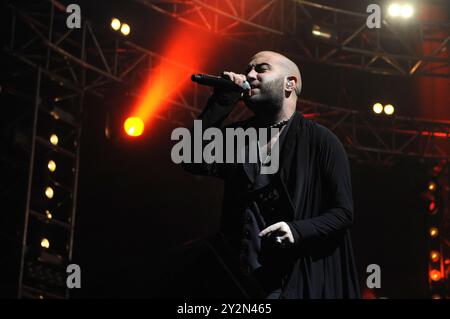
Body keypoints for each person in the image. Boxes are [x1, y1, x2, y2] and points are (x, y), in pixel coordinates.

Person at [182, 51, 361, 299]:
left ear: (290, 83)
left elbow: (342, 213)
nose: (250, 75)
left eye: (261, 69)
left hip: (293, 282)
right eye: (248, 70)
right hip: (239, 282)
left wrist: (297, 230)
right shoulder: (239, 137)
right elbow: (191, 158)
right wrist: (222, 102)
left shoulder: (321, 141)